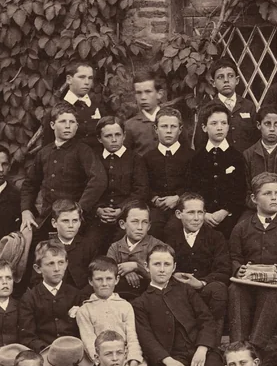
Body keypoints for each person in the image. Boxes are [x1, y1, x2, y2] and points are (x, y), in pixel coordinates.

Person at [133, 243, 227, 366]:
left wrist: (202, 348)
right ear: (147, 266)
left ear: (174, 267)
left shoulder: (185, 291)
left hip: (199, 350)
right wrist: (168, 360)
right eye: (157, 264)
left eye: (167, 264)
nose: (162, 269)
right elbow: (146, 337)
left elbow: (206, 319)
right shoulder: (141, 303)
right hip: (171, 357)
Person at [19, 104, 108, 252]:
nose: (68, 126)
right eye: (63, 122)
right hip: (48, 218)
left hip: (75, 220)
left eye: (72, 122)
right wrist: (26, 211)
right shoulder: (44, 153)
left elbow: (98, 180)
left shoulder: (83, 151)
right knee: (29, 249)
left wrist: (80, 208)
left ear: (77, 126)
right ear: (53, 125)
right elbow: (30, 184)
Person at [228, 172, 277, 345]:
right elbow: (234, 256)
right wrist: (238, 268)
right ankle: (237, 346)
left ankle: (254, 348)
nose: (274, 198)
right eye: (267, 194)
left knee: (271, 294)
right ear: (254, 198)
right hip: (248, 284)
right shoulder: (242, 227)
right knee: (236, 290)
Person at [162, 192, 231, 341]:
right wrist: (175, 275)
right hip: (180, 288)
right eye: (191, 212)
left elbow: (224, 270)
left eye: (200, 212)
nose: (196, 218)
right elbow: (165, 264)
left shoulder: (216, 237)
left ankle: (211, 343)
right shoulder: (170, 236)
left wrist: (201, 283)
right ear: (179, 214)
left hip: (205, 289)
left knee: (219, 290)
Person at [76, 257, 148, 366]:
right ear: (91, 281)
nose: (104, 284)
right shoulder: (85, 310)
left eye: (109, 279)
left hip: (129, 360)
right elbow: (90, 345)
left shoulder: (125, 306)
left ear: (116, 280)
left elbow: (132, 338)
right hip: (103, 363)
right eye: (99, 279)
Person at [91, 115, 150, 254]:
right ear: (100, 138)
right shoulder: (93, 158)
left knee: (120, 244)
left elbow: (141, 190)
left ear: (124, 136)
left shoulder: (135, 159)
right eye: (108, 136)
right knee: (92, 243)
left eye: (118, 135)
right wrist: (98, 209)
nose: (114, 140)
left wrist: (121, 210)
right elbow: (87, 189)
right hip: (99, 216)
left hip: (126, 216)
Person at [188, 105, 249, 237]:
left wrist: (225, 211)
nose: (219, 127)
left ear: (228, 126)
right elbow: (193, 189)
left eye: (223, 123)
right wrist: (203, 214)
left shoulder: (237, 157)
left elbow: (240, 190)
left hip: (230, 215)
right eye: (214, 123)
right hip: (202, 216)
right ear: (204, 128)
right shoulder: (196, 158)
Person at [17, 241, 85, 354]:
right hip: (44, 355)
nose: (57, 268)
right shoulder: (30, 298)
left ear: (66, 264)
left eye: (61, 262)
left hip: (73, 353)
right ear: (38, 268)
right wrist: (47, 351)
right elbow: (27, 336)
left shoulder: (75, 295)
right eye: (50, 264)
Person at [142, 106, 194, 238]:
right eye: (164, 126)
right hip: (156, 208)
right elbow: (144, 184)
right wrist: (154, 199)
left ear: (180, 129)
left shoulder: (191, 156)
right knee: (152, 227)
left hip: (183, 206)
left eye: (173, 127)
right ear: (155, 129)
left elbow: (194, 184)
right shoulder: (147, 157)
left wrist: (178, 198)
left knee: (175, 228)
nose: (169, 131)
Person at [106, 200, 162, 300]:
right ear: (123, 224)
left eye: (144, 222)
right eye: (135, 222)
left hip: (150, 297)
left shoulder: (158, 247)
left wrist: (137, 267)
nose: (140, 227)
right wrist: (126, 272)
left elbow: (162, 277)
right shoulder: (115, 248)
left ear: (149, 226)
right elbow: (108, 273)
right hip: (120, 297)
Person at [46, 200, 99, 295]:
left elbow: (95, 276)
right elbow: (37, 280)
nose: (71, 226)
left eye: (75, 221)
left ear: (80, 222)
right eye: (65, 221)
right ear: (54, 223)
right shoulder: (46, 247)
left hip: (83, 296)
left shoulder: (89, 246)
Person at [206, 58, 257, 154]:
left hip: (246, 162)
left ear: (237, 80)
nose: (226, 80)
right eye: (220, 77)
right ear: (213, 83)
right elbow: (200, 142)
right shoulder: (208, 109)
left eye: (230, 76)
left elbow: (256, 138)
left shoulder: (248, 106)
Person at [58, 61, 105, 150]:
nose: (87, 82)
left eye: (90, 78)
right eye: (82, 77)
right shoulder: (57, 110)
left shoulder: (99, 108)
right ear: (69, 79)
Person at [124, 75, 166, 154]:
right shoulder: (130, 126)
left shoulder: (173, 119)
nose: (143, 97)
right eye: (139, 93)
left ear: (159, 94)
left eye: (148, 92)